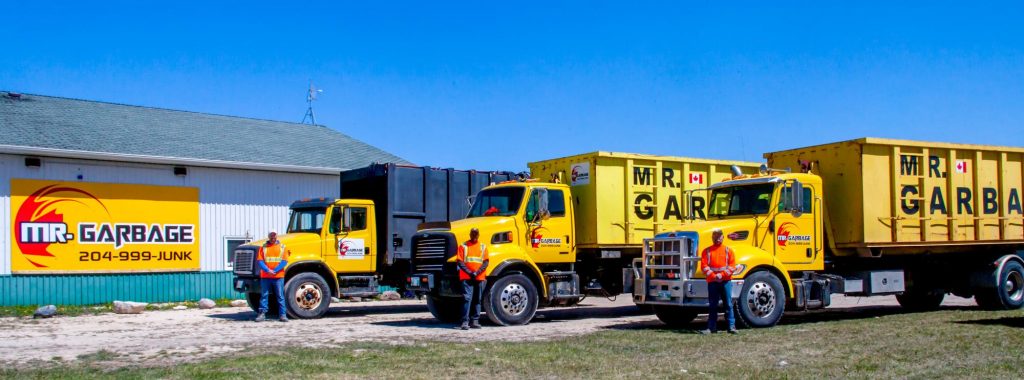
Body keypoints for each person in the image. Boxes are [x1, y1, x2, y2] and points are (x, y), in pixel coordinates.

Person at [700, 228, 738, 334]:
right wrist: (714, 276)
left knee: (728, 304)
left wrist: (721, 275)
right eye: (715, 236)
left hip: (726, 281)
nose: (717, 238)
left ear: (723, 237)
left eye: (719, 236)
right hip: (712, 282)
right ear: (712, 237)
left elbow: (732, 267)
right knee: (713, 305)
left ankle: (731, 327)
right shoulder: (706, 251)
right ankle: (711, 327)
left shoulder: (728, 250)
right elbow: (704, 266)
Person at [456, 228, 489, 330]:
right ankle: (465, 322)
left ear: (478, 235)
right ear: (470, 234)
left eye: (476, 234)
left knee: (477, 299)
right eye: (473, 234)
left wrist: (477, 272)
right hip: (467, 277)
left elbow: (486, 262)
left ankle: (475, 321)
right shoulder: (463, 246)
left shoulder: (483, 247)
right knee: (467, 299)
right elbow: (460, 262)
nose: (474, 235)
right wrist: (470, 272)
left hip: (478, 277)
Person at [255, 230, 290, 322]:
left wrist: (274, 270)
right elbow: (260, 261)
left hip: (278, 276)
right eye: (271, 236)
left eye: (274, 236)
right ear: (268, 236)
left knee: (280, 296)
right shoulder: (263, 248)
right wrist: (268, 270)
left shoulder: (283, 247)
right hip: (265, 276)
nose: (273, 237)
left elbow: (284, 261)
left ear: (277, 236)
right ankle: (262, 314)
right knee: (264, 295)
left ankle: (282, 315)